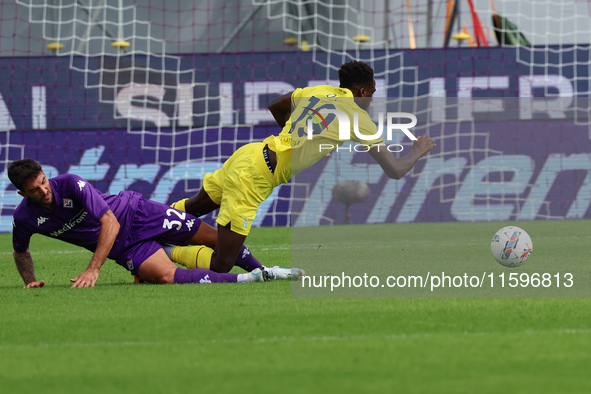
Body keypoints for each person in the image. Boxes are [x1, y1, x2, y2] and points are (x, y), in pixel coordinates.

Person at [169, 60, 436, 273]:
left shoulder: (317, 91)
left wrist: (296, 138)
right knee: (221, 264)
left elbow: (275, 106)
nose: (371, 100)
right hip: (255, 175)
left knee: (191, 209)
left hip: (249, 153)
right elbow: (395, 170)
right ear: (362, 91)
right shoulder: (359, 117)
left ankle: (148, 227)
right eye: (372, 94)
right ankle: (165, 253)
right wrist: (417, 151)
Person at [7, 159, 278, 288]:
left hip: (136, 212)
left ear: (45, 173)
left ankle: (266, 270)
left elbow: (109, 222)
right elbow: (20, 251)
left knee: (214, 240)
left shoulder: (69, 183)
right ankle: (246, 278)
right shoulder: (25, 218)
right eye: (34, 190)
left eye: (43, 182)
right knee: (166, 276)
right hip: (123, 247)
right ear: (23, 194)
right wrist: (30, 280)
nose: (43, 191)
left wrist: (93, 269)